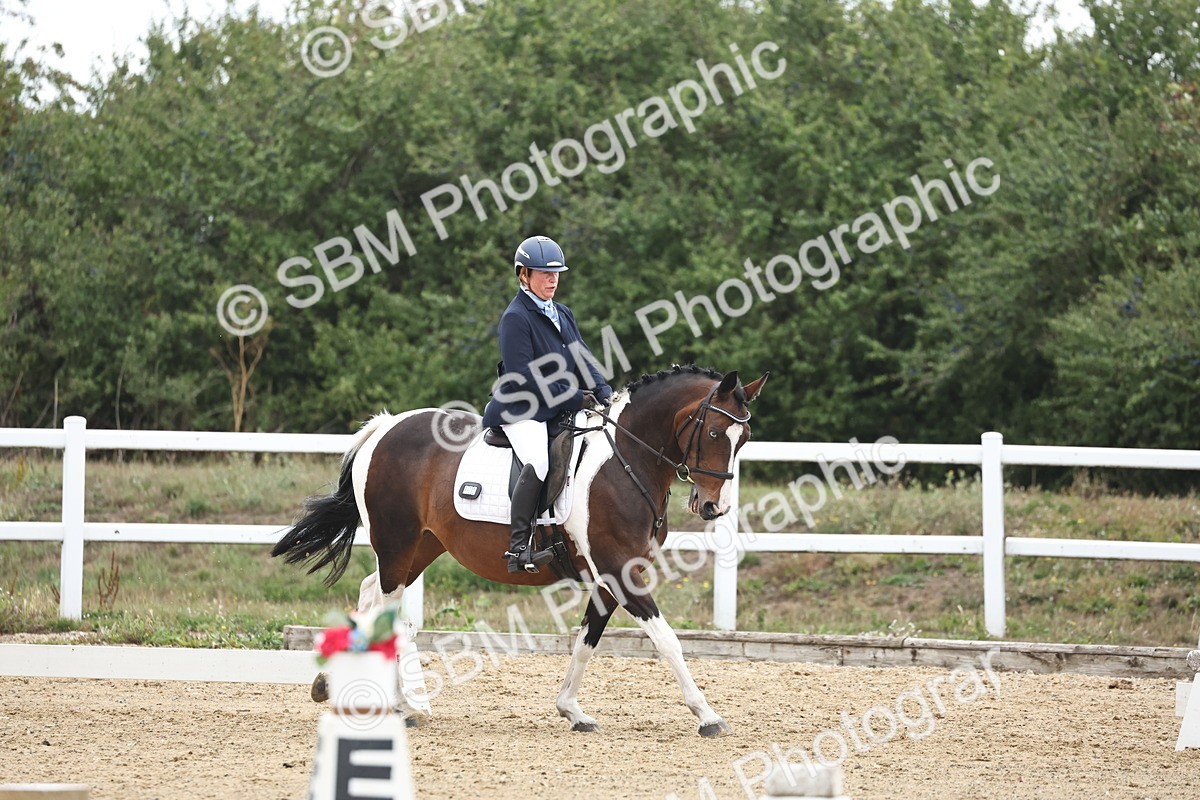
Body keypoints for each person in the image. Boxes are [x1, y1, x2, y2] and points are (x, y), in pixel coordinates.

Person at [481, 235, 614, 573]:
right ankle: (518, 547)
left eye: (556, 273)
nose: (552, 279)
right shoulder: (516, 317)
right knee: (539, 461)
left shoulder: (562, 313)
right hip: (521, 407)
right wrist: (573, 396)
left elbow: (582, 358)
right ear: (524, 274)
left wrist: (604, 393)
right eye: (544, 273)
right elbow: (524, 375)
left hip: (556, 406)